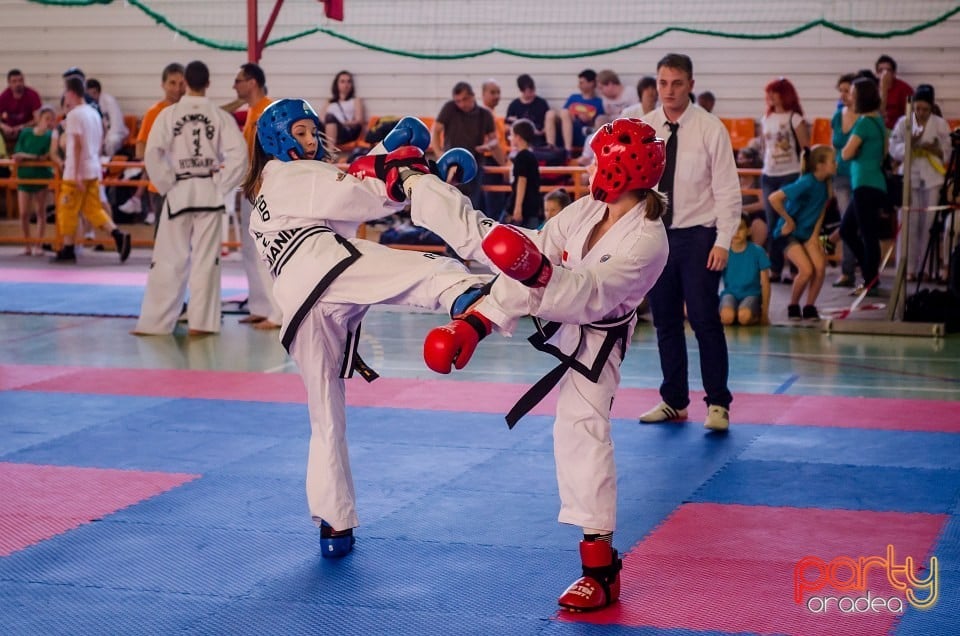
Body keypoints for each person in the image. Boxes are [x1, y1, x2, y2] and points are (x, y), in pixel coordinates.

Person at [406, 117, 669, 612]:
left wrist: (539, 271)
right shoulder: (588, 208)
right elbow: (536, 253)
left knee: (582, 428)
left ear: (619, 169)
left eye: (599, 160)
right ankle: (415, 184)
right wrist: (475, 324)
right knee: (493, 241)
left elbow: (590, 294)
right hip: (560, 305)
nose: (592, 167)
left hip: (600, 336)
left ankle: (601, 569)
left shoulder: (647, 241)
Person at [244, 101, 491, 558]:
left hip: (300, 308)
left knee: (326, 421)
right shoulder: (291, 175)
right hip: (325, 271)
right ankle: (470, 295)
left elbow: (345, 202)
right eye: (299, 131)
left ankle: (335, 524)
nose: (310, 139)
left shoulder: (276, 187)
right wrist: (423, 171)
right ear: (276, 140)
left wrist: (396, 155)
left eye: (312, 131)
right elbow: (365, 196)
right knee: (432, 268)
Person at [638, 53, 740, 431]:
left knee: (703, 318)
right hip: (657, 234)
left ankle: (718, 404)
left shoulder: (711, 128)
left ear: (691, 85)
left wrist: (724, 241)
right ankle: (674, 401)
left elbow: (728, 190)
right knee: (664, 320)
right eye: (662, 83)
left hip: (700, 234)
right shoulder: (646, 128)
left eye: (677, 83)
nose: (668, 90)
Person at [132, 60, 247, 336]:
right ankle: (202, 324)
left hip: (179, 191)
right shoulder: (219, 116)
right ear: (208, 83)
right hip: (209, 189)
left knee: (169, 258)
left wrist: (166, 183)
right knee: (207, 261)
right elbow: (239, 154)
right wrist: (222, 184)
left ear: (184, 82)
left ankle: (155, 325)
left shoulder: (168, 115)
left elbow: (151, 153)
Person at [50, 77, 131, 264]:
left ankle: (68, 248)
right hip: (93, 167)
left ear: (70, 93)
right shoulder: (94, 113)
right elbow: (100, 139)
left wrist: (77, 173)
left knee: (67, 208)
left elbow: (77, 145)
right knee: (93, 209)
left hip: (77, 170)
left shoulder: (75, 115)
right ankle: (118, 234)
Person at [232, 62, 282, 329]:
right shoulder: (251, 111)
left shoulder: (269, 111)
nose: (234, 86)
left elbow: (273, 153)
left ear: (252, 82)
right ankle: (260, 306)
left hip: (264, 189)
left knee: (266, 251)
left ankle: (278, 312)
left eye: (238, 80)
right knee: (250, 251)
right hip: (250, 186)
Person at [889, 84, 952, 282]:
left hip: (932, 177)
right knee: (908, 223)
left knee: (929, 224)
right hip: (909, 176)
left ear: (931, 107)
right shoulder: (904, 122)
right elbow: (893, 148)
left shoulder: (940, 124)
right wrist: (911, 145)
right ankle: (907, 269)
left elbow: (947, 150)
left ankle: (926, 268)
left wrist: (934, 149)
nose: (921, 112)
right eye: (918, 108)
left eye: (925, 109)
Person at [768, 145, 836, 320]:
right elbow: (774, 198)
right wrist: (788, 220)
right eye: (832, 161)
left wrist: (814, 236)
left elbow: (821, 211)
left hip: (806, 234)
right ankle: (793, 304)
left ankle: (809, 306)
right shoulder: (806, 182)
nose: (836, 164)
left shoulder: (826, 184)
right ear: (820, 165)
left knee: (819, 267)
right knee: (806, 270)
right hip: (787, 232)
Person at [118, 62, 187, 223]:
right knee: (164, 239)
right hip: (162, 188)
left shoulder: (192, 110)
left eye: (181, 83)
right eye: (172, 83)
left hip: (187, 187)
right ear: (163, 85)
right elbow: (141, 149)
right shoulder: (154, 112)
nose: (177, 88)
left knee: (186, 241)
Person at [840, 76, 888, 296]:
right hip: (873, 182)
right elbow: (885, 152)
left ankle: (870, 280)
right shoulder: (878, 120)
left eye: (851, 93)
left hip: (864, 183)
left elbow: (846, 152)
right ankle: (870, 273)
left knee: (867, 234)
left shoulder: (863, 123)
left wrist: (853, 149)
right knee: (847, 230)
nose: (849, 97)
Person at [760, 77, 809, 283]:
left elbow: (806, 148)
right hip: (769, 174)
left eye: (774, 92)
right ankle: (776, 268)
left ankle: (795, 267)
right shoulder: (766, 118)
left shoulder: (794, 118)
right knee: (772, 224)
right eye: (768, 92)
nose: (770, 96)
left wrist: (804, 176)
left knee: (789, 222)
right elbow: (764, 146)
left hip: (790, 174)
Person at [431, 81, 497, 214]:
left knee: (470, 204)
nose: (462, 104)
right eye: (458, 101)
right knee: (448, 201)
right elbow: (436, 130)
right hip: (450, 163)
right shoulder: (450, 108)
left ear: (473, 96)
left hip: (474, 164)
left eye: (464, 99)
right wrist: (439, 153)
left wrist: (488, 146)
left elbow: (494, 139)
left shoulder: (485, 114)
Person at [12, 104, 55, 255]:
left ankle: (38, 244)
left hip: (40, 177)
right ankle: (27, 244)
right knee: (24, 213)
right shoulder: (26, 133)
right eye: (46, 119)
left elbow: (44, 157)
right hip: (24, 176)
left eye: (52, 120)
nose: (49, 122)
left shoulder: (50, 137)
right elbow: (17, 153)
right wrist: (28, 157)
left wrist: (28, 156)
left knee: (40, 212)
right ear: (39, 119)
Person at [831, 72, 859, 288]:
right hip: (841, 174)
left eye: (846, 90)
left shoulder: (865, 117)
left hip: (859, 174)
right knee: (846, 222)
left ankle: (864, 268)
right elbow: (834, 146)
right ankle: (847, 271)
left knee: (857, 224)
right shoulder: (837, 116)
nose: (842, 95)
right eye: (840, 90)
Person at [720, 214, 770, 326]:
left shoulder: (758, 252)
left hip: (751, 294)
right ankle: (733, 313)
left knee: (744, 317)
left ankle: (751, 313)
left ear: (748, 231)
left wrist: (765, 314)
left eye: (740, 228)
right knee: (727, 317)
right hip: (730, 293)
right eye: (733, 228)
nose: (736, 232)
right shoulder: (724, 252)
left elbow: (766, 283)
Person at [547, 69, 603, 157]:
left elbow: (599, 123)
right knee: (550, 113)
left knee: (565, 112)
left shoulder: (598, 102)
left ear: (591, 83)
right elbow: (563, 114)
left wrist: (589, 120)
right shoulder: (573, 98)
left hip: (581, 132)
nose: (578, 85)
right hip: (564, 131)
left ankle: (568, 151)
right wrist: (575, 115)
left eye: (582, 83)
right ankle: (550, 149)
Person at [502, 119, 543, 229]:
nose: (510, 138)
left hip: (524, 207)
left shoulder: (521, 156)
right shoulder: (531, 156)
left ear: (518, 137)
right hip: (531, 206)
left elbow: (522, 180)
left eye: (512, 135)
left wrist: (517, 207)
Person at [84, 78, 128, 157]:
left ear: (98, 92)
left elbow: (116, 123)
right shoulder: (88, 104)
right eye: (89, 94)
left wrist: (105, 139)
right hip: (101, 134)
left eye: (93, 93)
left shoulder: (109, 101)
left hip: (115, 133)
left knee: (112, 141)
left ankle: (109, 164)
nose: (91, 96)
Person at [0, 69, 42, 150]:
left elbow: (38, 119)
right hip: (8, 131)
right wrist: (4, 127)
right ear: (9, 83)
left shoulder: (32, 95)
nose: (18, 84)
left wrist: (21, 127)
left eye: (20, 80)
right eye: (14, 81)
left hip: (27, 130)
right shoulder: (4, 96)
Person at [505, 74, 550, 147]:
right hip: (520, 138)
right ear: (521, 91)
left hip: (537, 137)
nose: (532, 93)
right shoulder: (514, 105)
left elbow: (548, 123)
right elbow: (506, 125)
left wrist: (542, 132)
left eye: (533, 90)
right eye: (529, 91)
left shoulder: (541, 103)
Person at [323, 70, 365, 147]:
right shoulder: (329, 101)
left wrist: (340, 123)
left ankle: (331, 154)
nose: (346, 84)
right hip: (327, 131)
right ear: (337, 84)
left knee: (330, 117)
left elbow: (359, 121)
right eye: (342, 81)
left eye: (349, 81)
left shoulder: (355, 100)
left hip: (345, 132)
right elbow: (322, 119)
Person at [876, 54, 913, 130]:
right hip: (877, 130)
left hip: (897, 131)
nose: (884, 74)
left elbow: (910, 115)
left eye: (888, 70)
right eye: (881, 71)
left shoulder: (905, 89)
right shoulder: (872, 89)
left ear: (894, 73)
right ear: (876, 73)